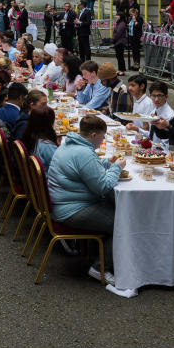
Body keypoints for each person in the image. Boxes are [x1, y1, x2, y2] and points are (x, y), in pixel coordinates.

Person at [47, 115, 125, 284]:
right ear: (94, 135)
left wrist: (105, 164)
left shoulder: (69, 143)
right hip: (71, 210)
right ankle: (100, 268)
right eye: (103, 137)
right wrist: (117, 168)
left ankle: (113, 258)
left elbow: (86, 169)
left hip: (61, 202)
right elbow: (103, 186)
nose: (103, 140)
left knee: (115, 207)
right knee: (122, 222)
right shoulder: (84, 153)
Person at [22, 104, 59, 168]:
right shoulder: (47, 146)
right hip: (49, 175)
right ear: (49, 123)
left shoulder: (30, 134)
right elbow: (60, 165)